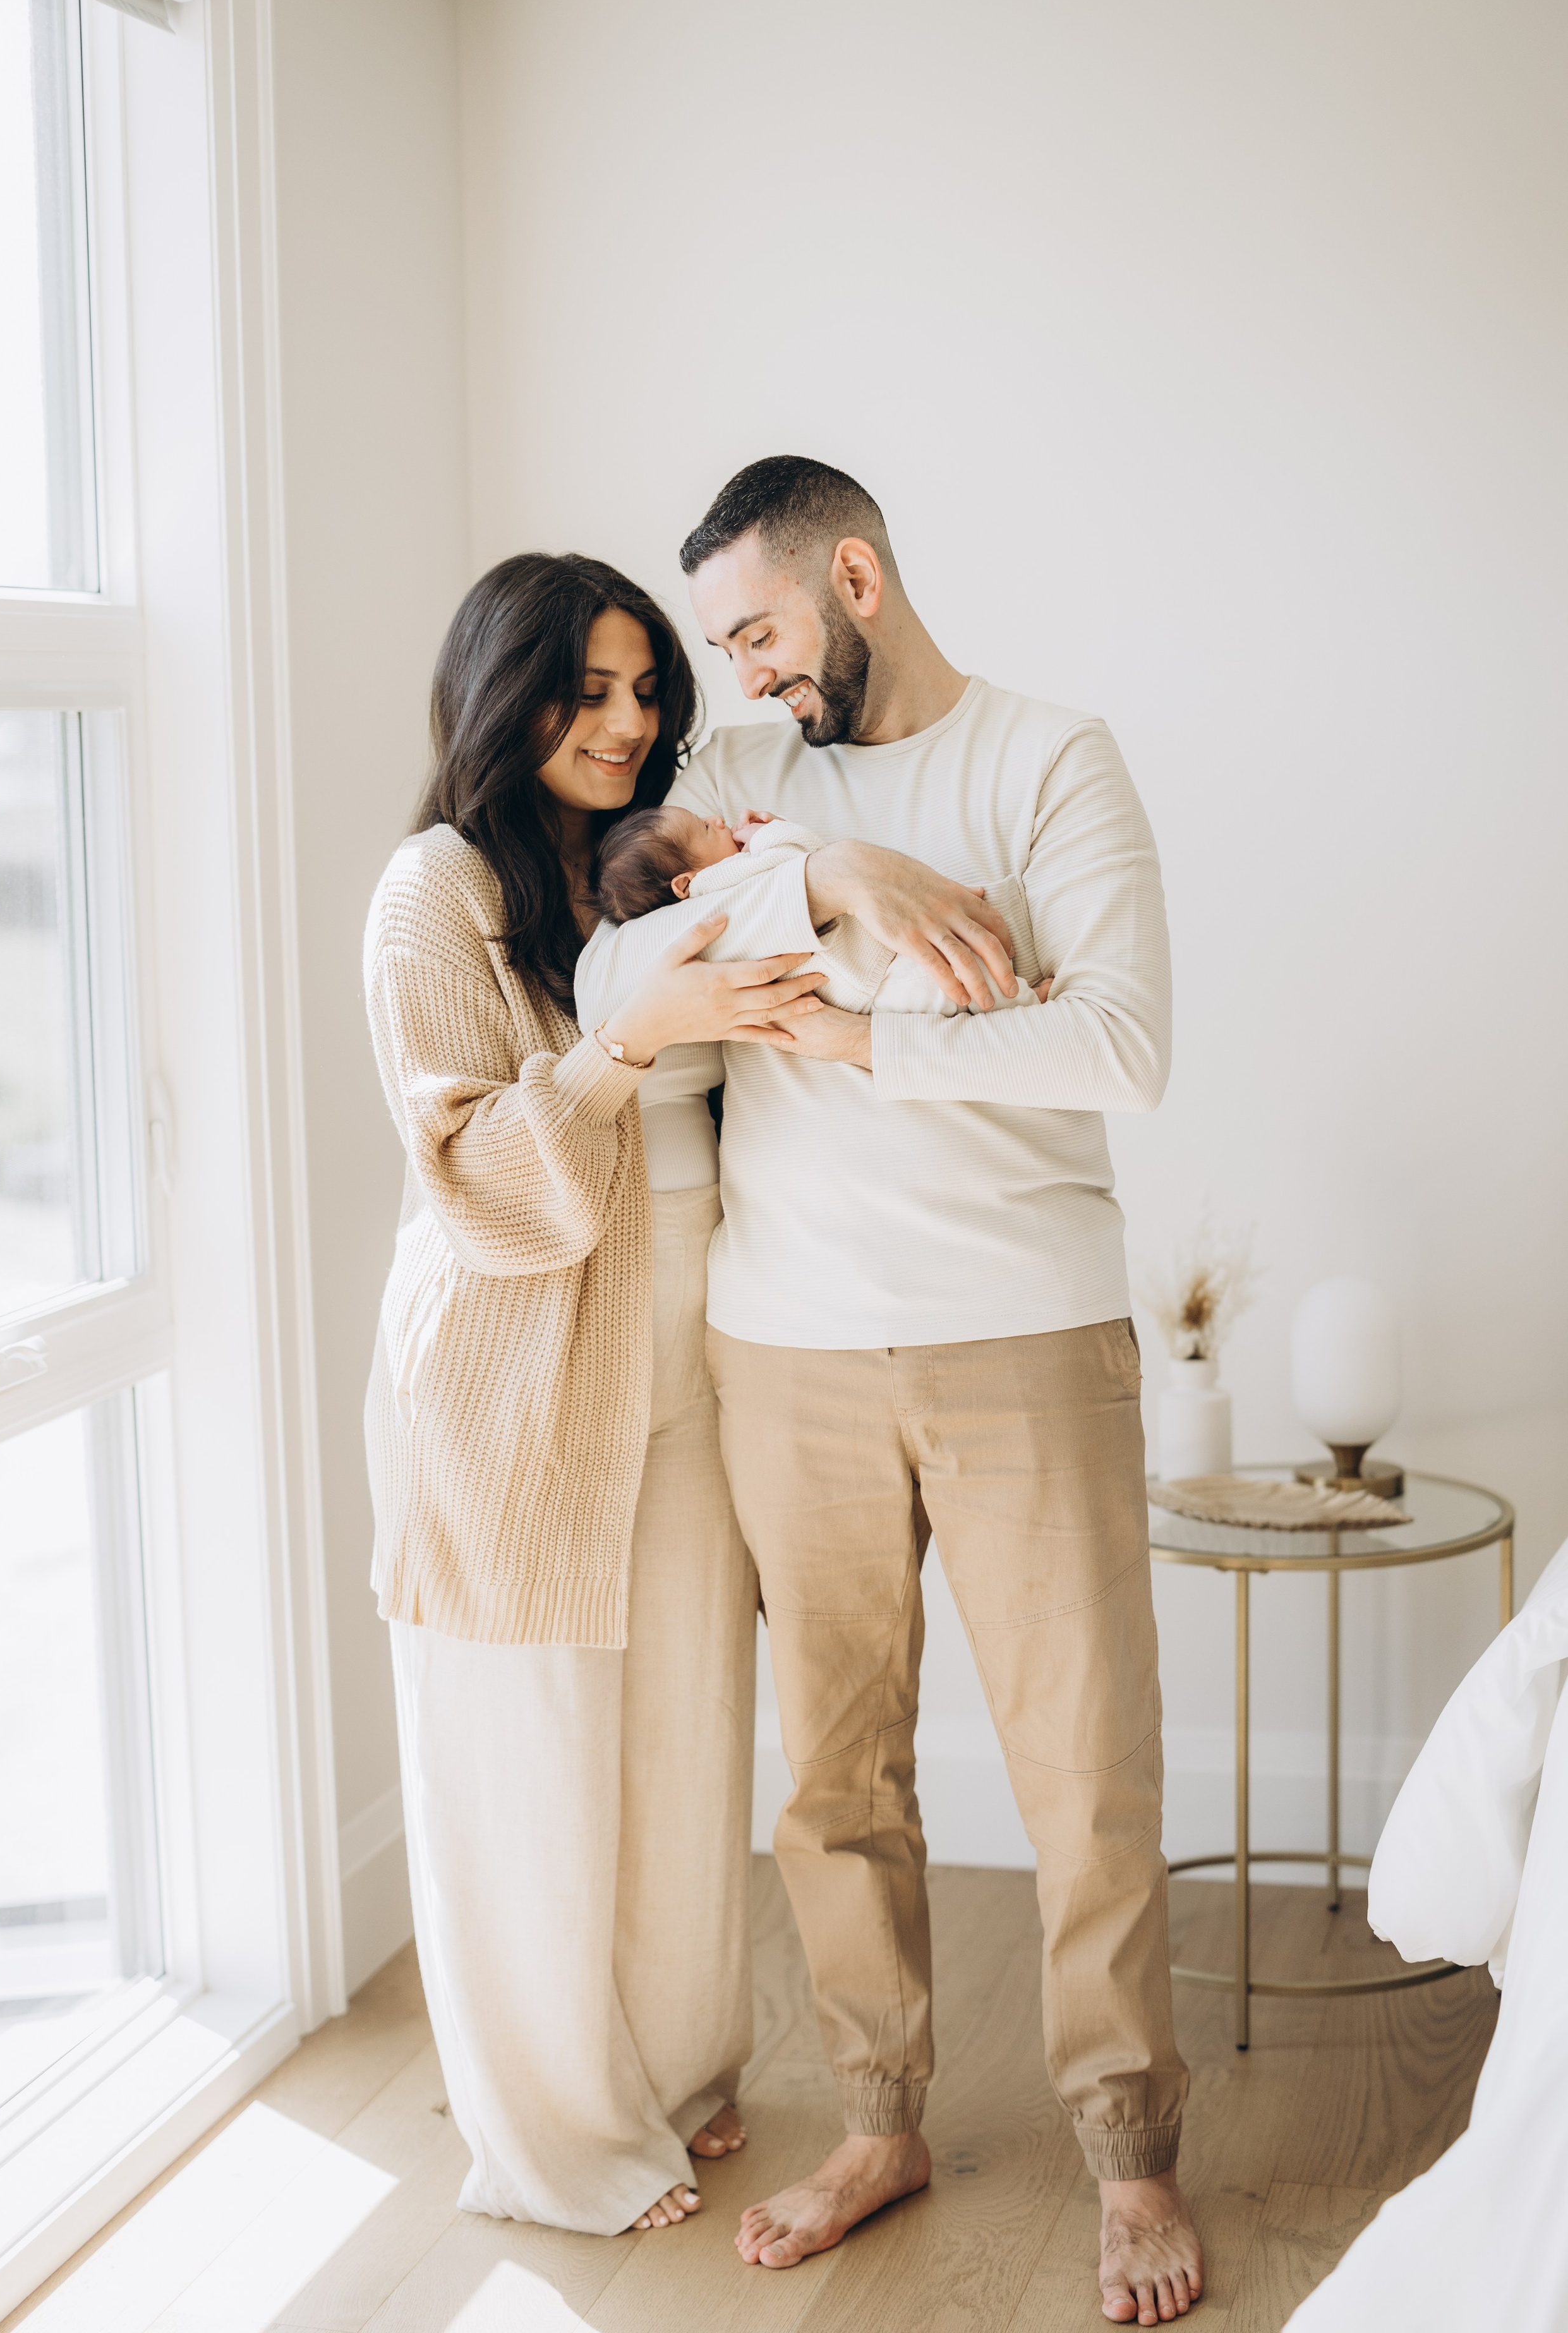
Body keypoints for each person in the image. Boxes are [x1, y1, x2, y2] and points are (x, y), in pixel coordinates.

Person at [575, 458, 1203, 2327]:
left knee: (1084, 1766)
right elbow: (617, 968)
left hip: (1024, 1326)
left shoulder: (1046, 758)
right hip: (786, 1341)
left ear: (853, 576)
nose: (740, 675)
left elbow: (1120, 1043)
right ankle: (876, 2121)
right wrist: (827, 872)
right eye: (721, 647)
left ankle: (1129, 2148)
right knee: (834, 1771)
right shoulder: (737, 774)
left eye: (758, 629)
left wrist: (856, 1031)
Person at [361, 551, 824, 2238]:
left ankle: (673, 2071)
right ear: (505, 696)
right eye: (586, 691)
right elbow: (470, 1171)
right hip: (515, 1384)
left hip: (689, 1363)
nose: (625, 723)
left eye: (645, 691)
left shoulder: (641, 857)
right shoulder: (435, 890)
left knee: (686, 1735)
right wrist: (631, 1043)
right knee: (526, 1773)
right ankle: (555, 2142)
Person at [589, 804, 1044, 1011]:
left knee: (941, 987)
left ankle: (1017, 999)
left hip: (857, 981)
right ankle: (1023, 1001)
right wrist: (770, 834)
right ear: (685, 884)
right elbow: (804, 860)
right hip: (868, 973)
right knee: (944, 984)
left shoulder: (719, 892)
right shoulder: (721, 884)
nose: (718, 819)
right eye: (705, 829)